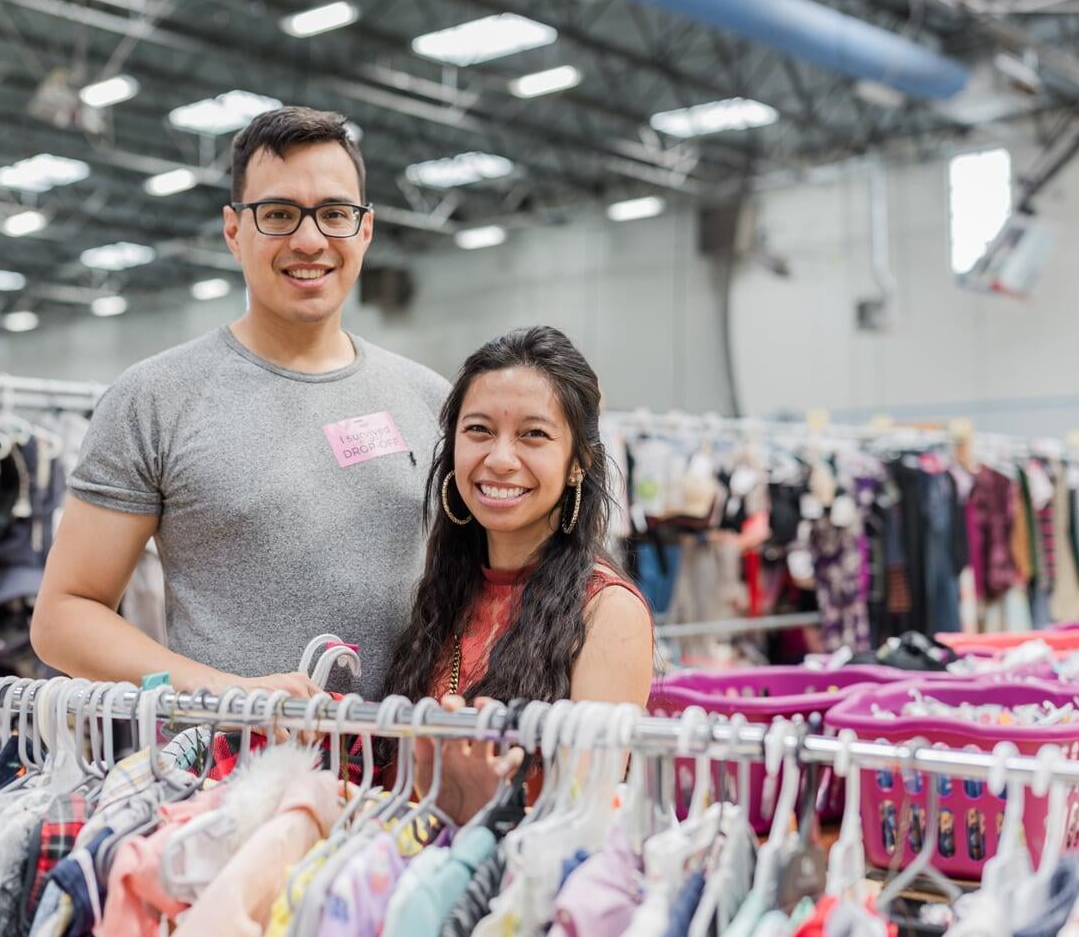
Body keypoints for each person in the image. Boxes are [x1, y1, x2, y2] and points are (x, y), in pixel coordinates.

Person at [32, 106, 449, 700]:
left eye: (334, 214)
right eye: (279, 214)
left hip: (406, 777)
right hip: (224, 778)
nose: (310, 240)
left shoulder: (432, 401)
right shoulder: (154, 400)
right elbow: (63, 618)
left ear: (366, 230)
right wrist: (225, 692)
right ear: (234, 231)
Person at [378, 326, 656, 819]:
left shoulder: (607, 612)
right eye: (480, 430)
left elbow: (584, 819)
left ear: (578, 463)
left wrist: (481, 810)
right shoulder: (444, 586)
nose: (500, 459)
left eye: (533, 435)